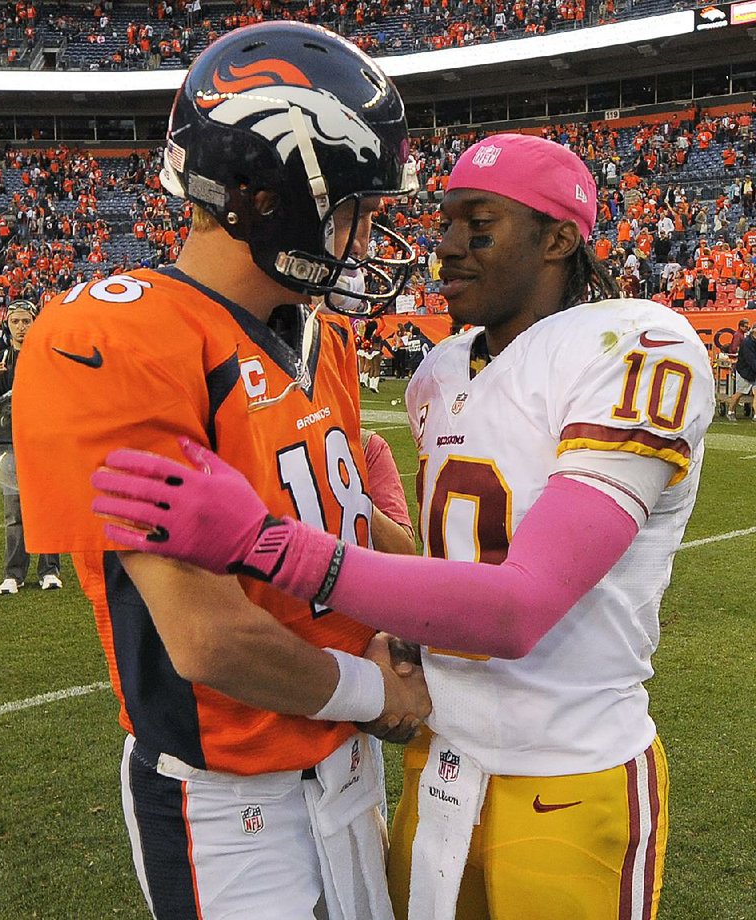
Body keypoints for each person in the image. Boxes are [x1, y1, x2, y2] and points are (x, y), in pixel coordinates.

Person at [93, 134, 716, 920]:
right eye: (445, 223)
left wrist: (264, 541)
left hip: (567, 765)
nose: (445, 248)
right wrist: (381, 540)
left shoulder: (634, 346)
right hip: (440, 760)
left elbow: (516, 607)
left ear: (559, 239)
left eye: (478, 226)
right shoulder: (439, 372)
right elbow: (450, 570)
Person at [12, 23, 429, 920]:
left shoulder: (326, 332)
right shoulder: (115, 337)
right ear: (273, 195)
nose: (367, 234)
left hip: (344, 764)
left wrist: (414, 596)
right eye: (354, 206)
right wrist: (374, 692)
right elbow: (204, 638)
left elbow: (336, 532)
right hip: (233, 799)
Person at [0, 300, 62, 595]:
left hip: (45, 445)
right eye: (16, 322)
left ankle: (50, 570)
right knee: (14, 513)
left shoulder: (48, 357)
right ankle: (14, 574)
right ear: (7, 326)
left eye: (26, 321)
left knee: (47, 509)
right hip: (8, 445)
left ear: (35, 323)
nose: (22, 327)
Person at [726, 322, 756, 421]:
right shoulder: (747, 343)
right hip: (744, 371)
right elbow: (750, 359)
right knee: (739, 393)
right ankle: (730, 411)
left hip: (754, 371)